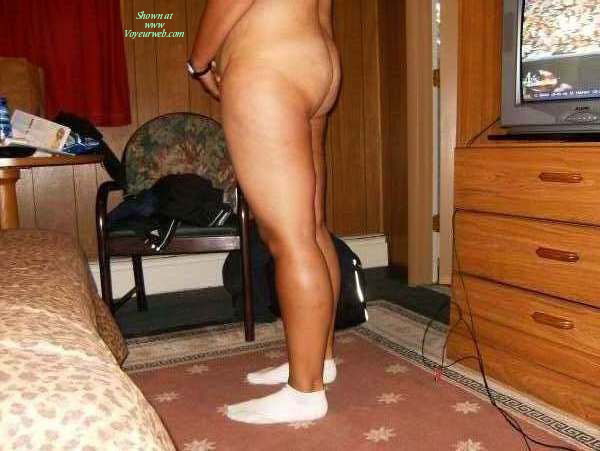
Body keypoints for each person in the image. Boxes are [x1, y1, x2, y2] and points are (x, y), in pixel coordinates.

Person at [188, 0, 342, 424]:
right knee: (311, 229)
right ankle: (319, 362)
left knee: (290, 238)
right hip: (316, 58)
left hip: (268, 64)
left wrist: (199, 62)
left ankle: (305, 391)